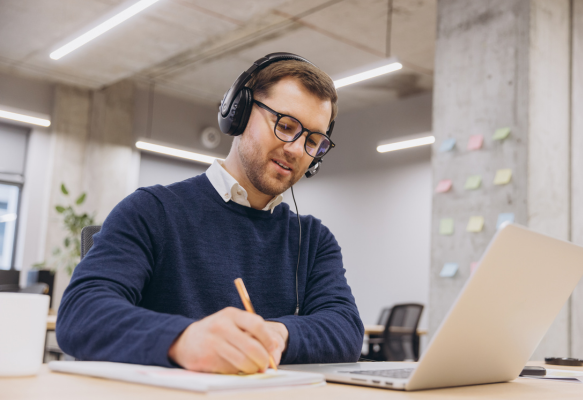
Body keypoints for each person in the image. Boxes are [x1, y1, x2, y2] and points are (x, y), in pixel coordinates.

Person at [56, 53, 364, 374]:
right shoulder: (152, 210)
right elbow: (81, 312)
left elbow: (345, 328)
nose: (297, 150)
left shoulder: (313, 239)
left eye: (314, 141)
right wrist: (183, 339)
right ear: (239, 113)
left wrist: (276, 335)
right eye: (285, 126)